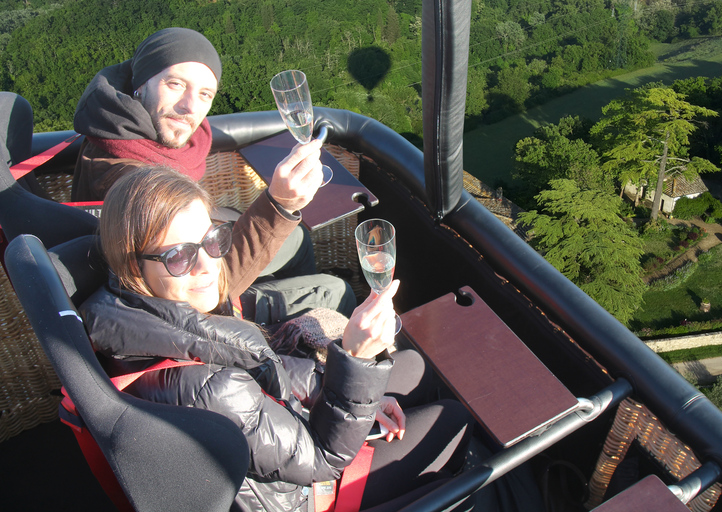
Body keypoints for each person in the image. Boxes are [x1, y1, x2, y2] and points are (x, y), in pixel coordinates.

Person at [79, 166, 474, 511]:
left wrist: (333, 388)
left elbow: (264, 369)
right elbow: (322, 459)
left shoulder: (133, 315)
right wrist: (355, 361)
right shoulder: (203, 387)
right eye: (178, 256)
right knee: (453, 423)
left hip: (278, 440)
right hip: (298, 494)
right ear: (134, 264)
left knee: (415, 368)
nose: (207, 265)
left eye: (213, 240)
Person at [72, 27, 354, 325]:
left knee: (297, 240)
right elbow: (204, 287)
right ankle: (280, 337)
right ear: (140, 84)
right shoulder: (133, 181)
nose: (190, 106)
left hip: (181, 271)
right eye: (176, 84)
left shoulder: (117, 130)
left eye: (205, 94)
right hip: (180, 312)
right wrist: (280, 205)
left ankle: (285, 330)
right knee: (334, 291)